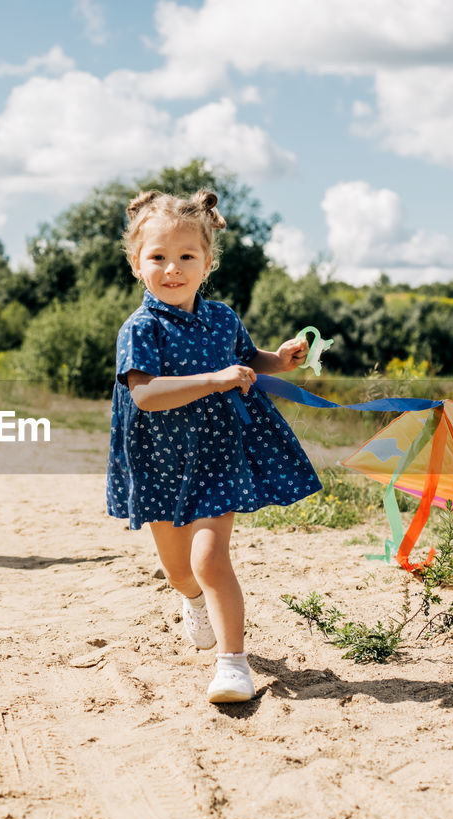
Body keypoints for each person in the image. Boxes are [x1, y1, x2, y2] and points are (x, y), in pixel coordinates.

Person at [106, 190, 321, 703]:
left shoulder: (222, 317)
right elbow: (147, 395)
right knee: (180, 571)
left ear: (207, 263)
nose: (172, 269)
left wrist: (281, 359)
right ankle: (192, 600)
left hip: (218, 451)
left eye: (186, 257)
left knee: (208, 557)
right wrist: (214, 379)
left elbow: (248, 358)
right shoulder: (141, 328)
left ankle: (233, 665)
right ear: (137, 265)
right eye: (158, 257)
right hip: (160, 461)